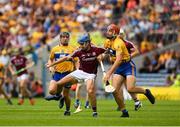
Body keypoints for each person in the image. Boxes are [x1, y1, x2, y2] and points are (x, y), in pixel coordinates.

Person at [46, 33, 106, 117]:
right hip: (80, 72)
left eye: (82, 44)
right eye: (80, 44)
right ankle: (58, 96)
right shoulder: (79, 51)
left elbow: (109, 51)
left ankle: (94, 112)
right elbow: (65, 58)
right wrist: (51, 65)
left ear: (87, 43)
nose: (80, 45)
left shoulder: (97, 49)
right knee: (58, 84)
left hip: (90, 75)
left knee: (90, 91)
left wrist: (102, 55)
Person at [103, 24, 155, 117]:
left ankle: (146, 92)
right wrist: (98, 53)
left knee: (130, 88)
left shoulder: (120, 42)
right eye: (108, 30)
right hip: (118, 67)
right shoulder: (107, 41)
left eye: (110, 31)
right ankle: (124, 111)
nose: (108, 32)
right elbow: (105, 51)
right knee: (114, 91)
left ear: (115, 33)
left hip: (127, 65)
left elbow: (119, 60)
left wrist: (108, 73)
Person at [44, 32, 76, 114]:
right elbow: (50, 59)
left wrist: (77, 69)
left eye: (66, 37)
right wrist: (51, 67)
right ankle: (58, 96)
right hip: (57, 73)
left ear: (69, 38)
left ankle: (67, 110)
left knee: (66, 95)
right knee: (51, 91)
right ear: (60, 38)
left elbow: (77, 60)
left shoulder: (73, 48)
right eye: (63, 37)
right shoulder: (55, 49)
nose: (65, 38)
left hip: (68, 74)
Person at [118, 29, 142, 111]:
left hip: (126, 66)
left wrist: (129, 57)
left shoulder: (127, 43)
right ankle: (134, 102)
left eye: (121, 34)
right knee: (119, 87)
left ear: (123, 35)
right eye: (118, 34)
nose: (119, 35)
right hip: (118, 66)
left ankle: (135, 101)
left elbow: (137, 51)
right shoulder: (113, 43)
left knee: (128, 87)